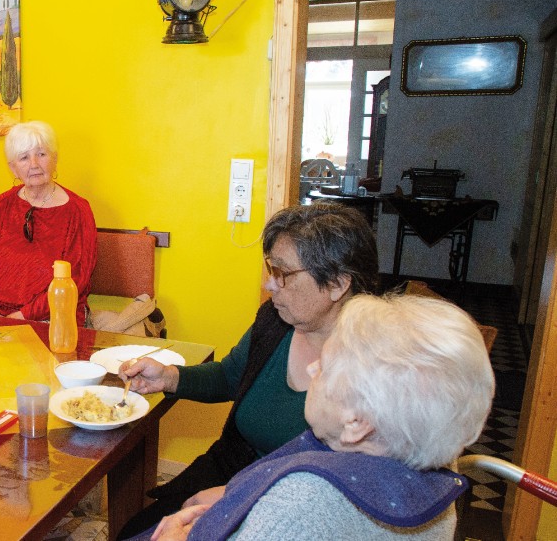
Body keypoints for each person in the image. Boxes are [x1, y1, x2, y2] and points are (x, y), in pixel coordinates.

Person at [116, 202, 380, 538]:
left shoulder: (375, 368)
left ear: (337, 285)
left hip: (296, 508)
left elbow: (344, 487)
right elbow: (230, 376)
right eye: (271, 269)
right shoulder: (275, 320)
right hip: (231, 471)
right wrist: (170, 376)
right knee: (133, 532)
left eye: (282, 273)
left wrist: (238, 496)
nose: (270, 285)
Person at [143, 293, 494, 540]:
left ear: (357, 423)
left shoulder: (301, 504)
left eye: (325, 368)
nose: (312, 368)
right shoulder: (437, 491)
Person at [0, 121, 97, 323]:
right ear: (13, 168)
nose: (34, 164)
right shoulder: (1, 205)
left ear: (55, 159)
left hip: (52, 317)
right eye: (24, 157)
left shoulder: (77, 211)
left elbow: (75, 281)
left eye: (41, 154)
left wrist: (21, 318)